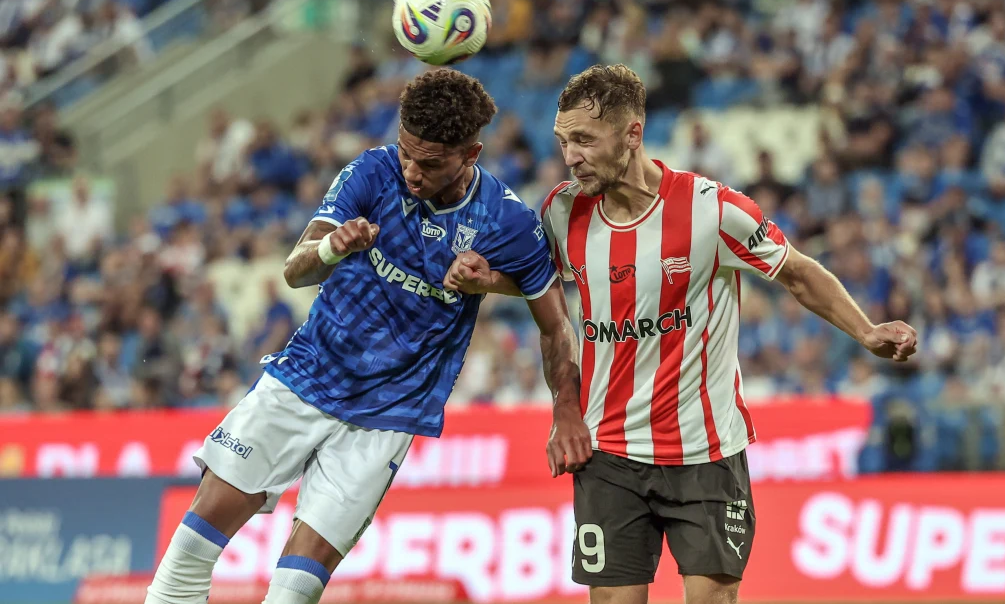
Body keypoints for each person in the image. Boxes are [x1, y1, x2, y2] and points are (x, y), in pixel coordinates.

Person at [444, 64, 918, 604]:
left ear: (632, 134)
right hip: (610, 455)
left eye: (583, 140)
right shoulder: (562, 210)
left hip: (705, 453)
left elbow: (798, 271)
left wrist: (866, 330)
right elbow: (539, 284)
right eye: (563, 141)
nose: (569, 156)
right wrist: (491, 280)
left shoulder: (711, 211)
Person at [144, 69, 591, 604]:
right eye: (406, 152)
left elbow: (556, 322)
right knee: (189, 557)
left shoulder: (506, 221)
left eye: (429, 163)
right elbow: (296, 270)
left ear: (471, 154)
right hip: (305, 376)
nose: (411, 171)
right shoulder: (374, 171)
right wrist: (335, 247)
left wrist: (565, 407)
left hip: (387, 414)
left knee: (291, 595)